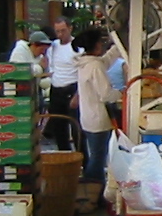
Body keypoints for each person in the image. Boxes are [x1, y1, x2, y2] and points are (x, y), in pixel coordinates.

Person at [71, 29, 115, 193]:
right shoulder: (95, 66)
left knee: (96, 155)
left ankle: (92, 192)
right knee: (98, 159)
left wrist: (119, 46)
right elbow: (106, 94)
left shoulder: (86, 63)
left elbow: (107, 60)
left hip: (88, 117)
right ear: (97, 45)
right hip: (98, 119)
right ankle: (89, 194)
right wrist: (125, 92)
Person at [46, 18, 83, 149]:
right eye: (57, 31)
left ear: (70, 29)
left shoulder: (78, 48)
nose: (60, 34)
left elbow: (82, 73)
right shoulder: (53, 47)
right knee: (58, 127)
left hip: (72, 88)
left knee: (76, 128)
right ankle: (64, 155)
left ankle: (82, 159)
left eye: (63, 31)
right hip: (56, 89)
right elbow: (51, 66)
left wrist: (78, 94)